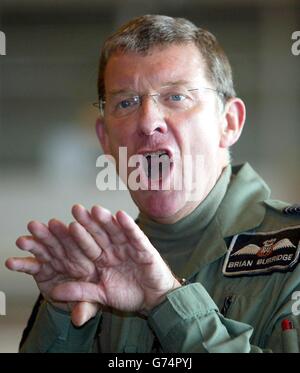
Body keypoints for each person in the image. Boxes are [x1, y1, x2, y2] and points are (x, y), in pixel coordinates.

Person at [5, 14, 300, 353]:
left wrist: (168, 302)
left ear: (228, 123)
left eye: (175, 96)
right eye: (126, 102)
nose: (147, 122)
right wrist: (62, 317)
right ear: (105, 139)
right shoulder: (93, 268)